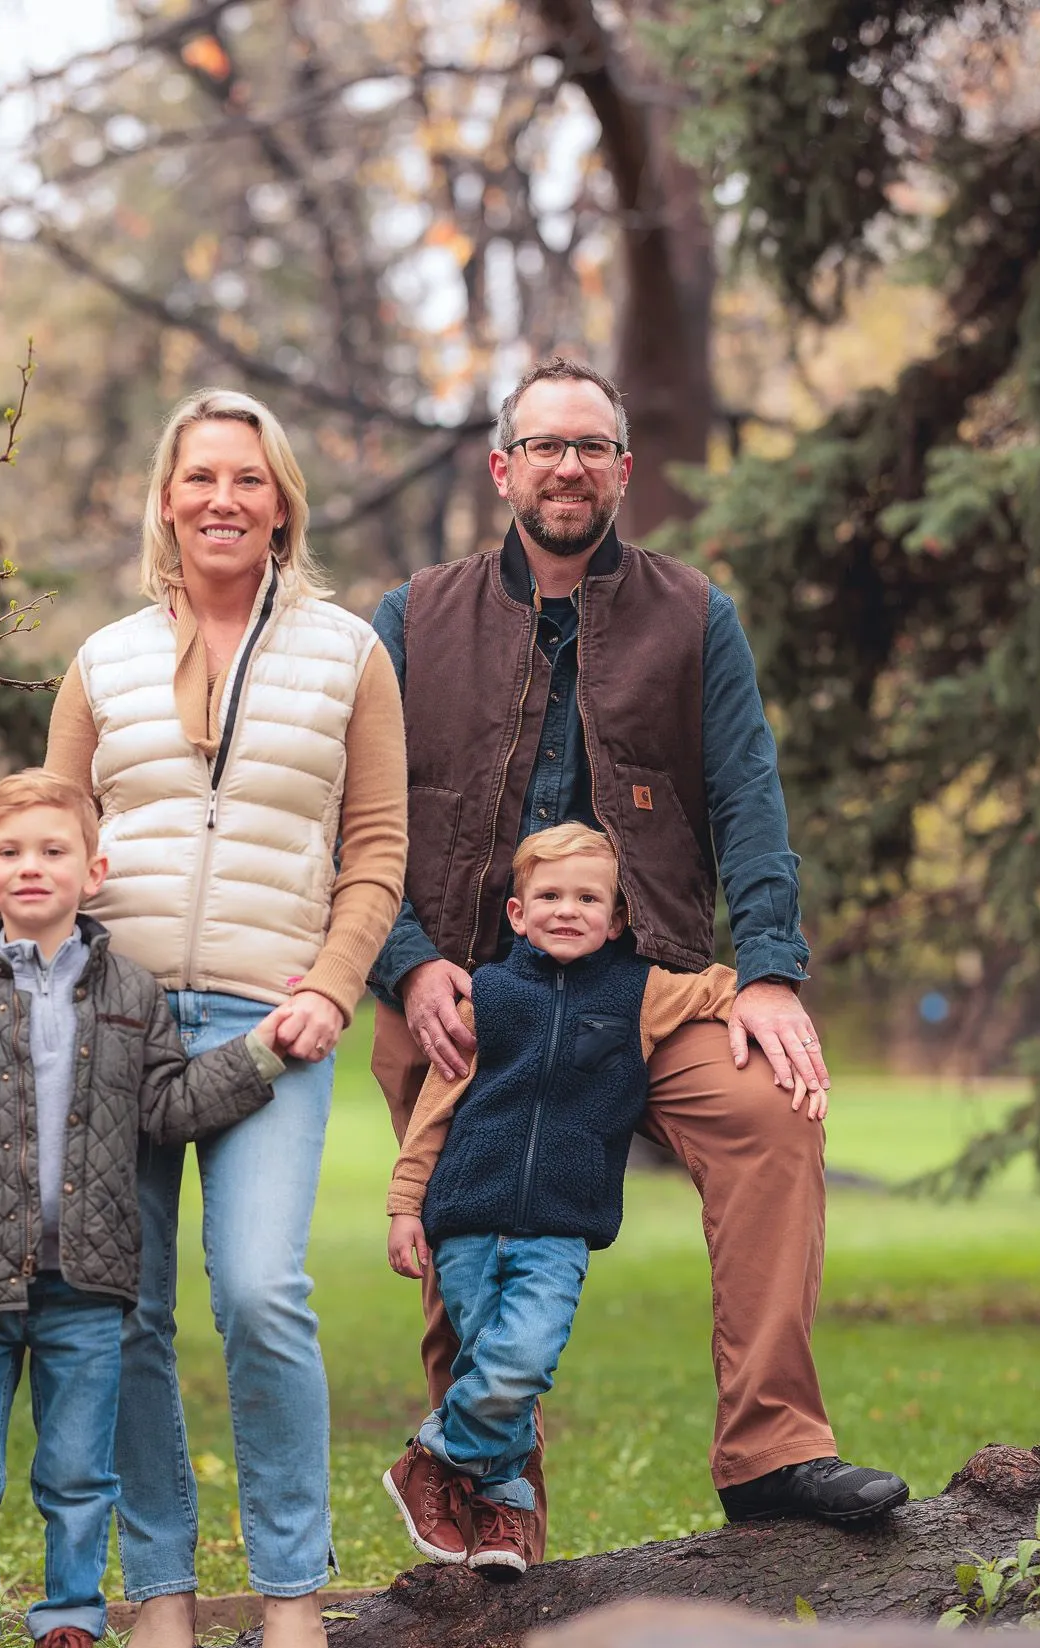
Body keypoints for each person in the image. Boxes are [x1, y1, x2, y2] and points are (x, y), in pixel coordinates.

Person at [0, 391, 407, 1648]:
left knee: (258, 1291)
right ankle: (160, 1588)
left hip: (266, 1021)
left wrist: (337, 990)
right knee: (116, 1312)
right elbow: (44, 823)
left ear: (281, 499)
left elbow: (379, 851)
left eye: (248, 478)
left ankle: (294, 1591)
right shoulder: (105, 660)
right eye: (200, 479)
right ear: (167, 499)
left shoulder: (351, 653)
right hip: (105, 1015)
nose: (223, 499)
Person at [369, 356, 908, 1557]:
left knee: (772, 1109)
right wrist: (406, 965)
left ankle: (773, 1450)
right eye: (544, 446)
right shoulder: (413, 616)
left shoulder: (692, 612)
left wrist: (767, 969)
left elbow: (750, 800)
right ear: (503, 468)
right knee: (472, 1227)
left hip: (651, 983)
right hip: (465, 981)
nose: (568, 466)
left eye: (591, 447)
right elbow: (353, 817)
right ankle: (492, 1506)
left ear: (622, 468)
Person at [0, 770, 284, 1648]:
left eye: (53, 851)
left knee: (77, 1473)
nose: (31, 868)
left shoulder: (133, 992)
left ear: (92, 870)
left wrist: (264, 1051)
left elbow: (170, 1106)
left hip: (89, 1282)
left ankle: (67, 1635)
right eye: (9, 853)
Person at [382, 825, 792, 1575]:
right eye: (548, 896)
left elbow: (718, 987)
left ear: (616, 917)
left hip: (560, 1229)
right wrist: (406, 1205)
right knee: (484, 1359)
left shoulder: (640, 993)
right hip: (468, 1218)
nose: (565, 910)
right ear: (515, 912)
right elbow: (435, 1108)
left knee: (522, 1362)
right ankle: (504, 1503)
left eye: (586, 898)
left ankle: (431, 1457)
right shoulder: (488, 996)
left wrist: (759, 993)